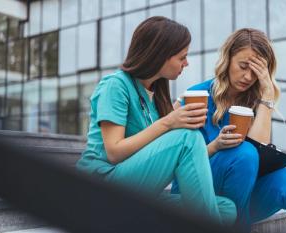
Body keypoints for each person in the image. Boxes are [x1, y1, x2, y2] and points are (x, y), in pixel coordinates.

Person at [76, 16, 236, 226]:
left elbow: (181, 156)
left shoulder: (157, 95)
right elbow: (113, 152)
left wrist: (215, 146)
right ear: (160, 55)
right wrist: (168, 123)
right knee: (188, 137)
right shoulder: (115, 85)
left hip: (138, 192)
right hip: (102, 187)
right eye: (182, 57)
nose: (186, 63)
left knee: (226, 208)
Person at [171, 28, 286, 233]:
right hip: (195, 191)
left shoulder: (256, 101)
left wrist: (267, 96)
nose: (248, 76)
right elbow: (174, 160)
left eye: (256, 71)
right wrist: (215, 146)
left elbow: (257, 149)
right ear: (227, 59)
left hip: (241, 196)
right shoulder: (195, 96)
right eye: (243, 66)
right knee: (243, 153)